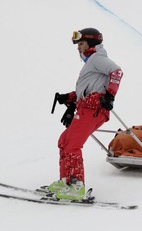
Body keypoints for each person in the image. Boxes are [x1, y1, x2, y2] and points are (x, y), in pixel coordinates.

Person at [48, 28, 123, 200]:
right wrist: (69, 97)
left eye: (81, 43)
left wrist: (110, 95)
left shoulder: (97, 58)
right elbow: (88, 89)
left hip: (94, 109)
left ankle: (77, 186)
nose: (78, 48)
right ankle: (66, 181)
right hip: (85, 108)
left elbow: (117, 72)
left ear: (91, 43)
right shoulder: (91, 63)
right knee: (64, 141)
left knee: (73, 144)